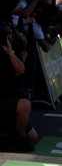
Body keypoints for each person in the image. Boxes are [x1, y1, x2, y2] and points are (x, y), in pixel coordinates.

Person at [0, 22, 37, 152]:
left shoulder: (10, 50)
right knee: (24, 105)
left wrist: (11, 53)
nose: (11, 37)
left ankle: (8, 138)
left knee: (33, 136)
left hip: (11, 97)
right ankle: (20, 140)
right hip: (3, 100)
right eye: (8, 34)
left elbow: (20, 69)